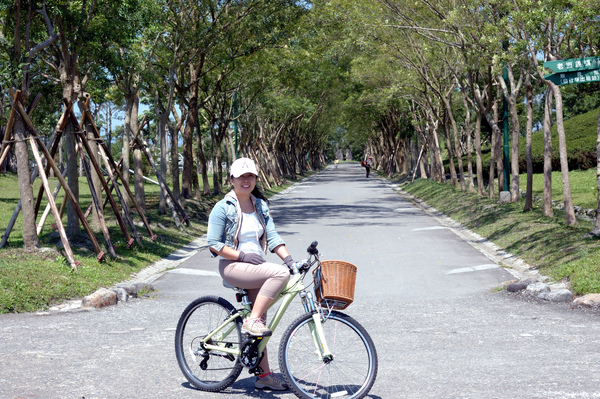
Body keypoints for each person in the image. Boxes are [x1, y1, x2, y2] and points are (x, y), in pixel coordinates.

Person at [206, 157, 294, 391]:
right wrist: (242, 256)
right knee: (278, 276)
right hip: (233, 266)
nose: (246, 180)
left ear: (256, 179)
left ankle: (263, 375)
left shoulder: (261, 206)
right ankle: (251, 320)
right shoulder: (223, 207)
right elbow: (214, 243)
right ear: (232, 179)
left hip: (256, 268)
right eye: (241, 176)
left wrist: (289, 259)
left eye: (251, 176)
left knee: (262, 324)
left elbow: (273, 236)